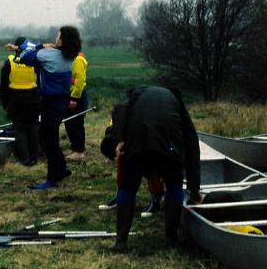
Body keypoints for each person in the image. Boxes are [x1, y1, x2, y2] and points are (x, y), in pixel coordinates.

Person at [107, 86, 202, 253]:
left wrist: (120, 138)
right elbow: (192, 147)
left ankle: (120, 242)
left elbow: (120, 108)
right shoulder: (176, 102)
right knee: (174, 183)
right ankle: (171, 239)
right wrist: (194, 190)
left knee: (128, 186)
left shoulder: (134, 94)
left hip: (137, 137)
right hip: (169, 140)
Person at [9, 25, 81, 189]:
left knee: (48, 140)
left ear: (61, 40)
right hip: (62, 101)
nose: (55, 38)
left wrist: (42, 46)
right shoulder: (70, 55)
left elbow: (27, 58)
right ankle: (61, 169)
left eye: (58, 36)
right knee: (50, 137)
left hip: (50, 102)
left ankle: (52, 178)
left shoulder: (48, 53)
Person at [0, 36, 41, 165]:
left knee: (19, 129)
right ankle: (35, 157)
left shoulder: (10, 62)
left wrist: (4, 103)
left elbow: (3, 86)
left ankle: (25, 159)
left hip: (15, 100)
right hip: (33, 98)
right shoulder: (35, 61)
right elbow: (40, 82)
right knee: (33, 128)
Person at [64, 49, 88, 162]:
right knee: (75, 123)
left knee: (73, 123)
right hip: (75, 94)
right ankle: (78, 149)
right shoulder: (75, 58)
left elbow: (79, 80)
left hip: (76, 95)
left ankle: (78, 152)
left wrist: (74, 98)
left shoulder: (77, 60)